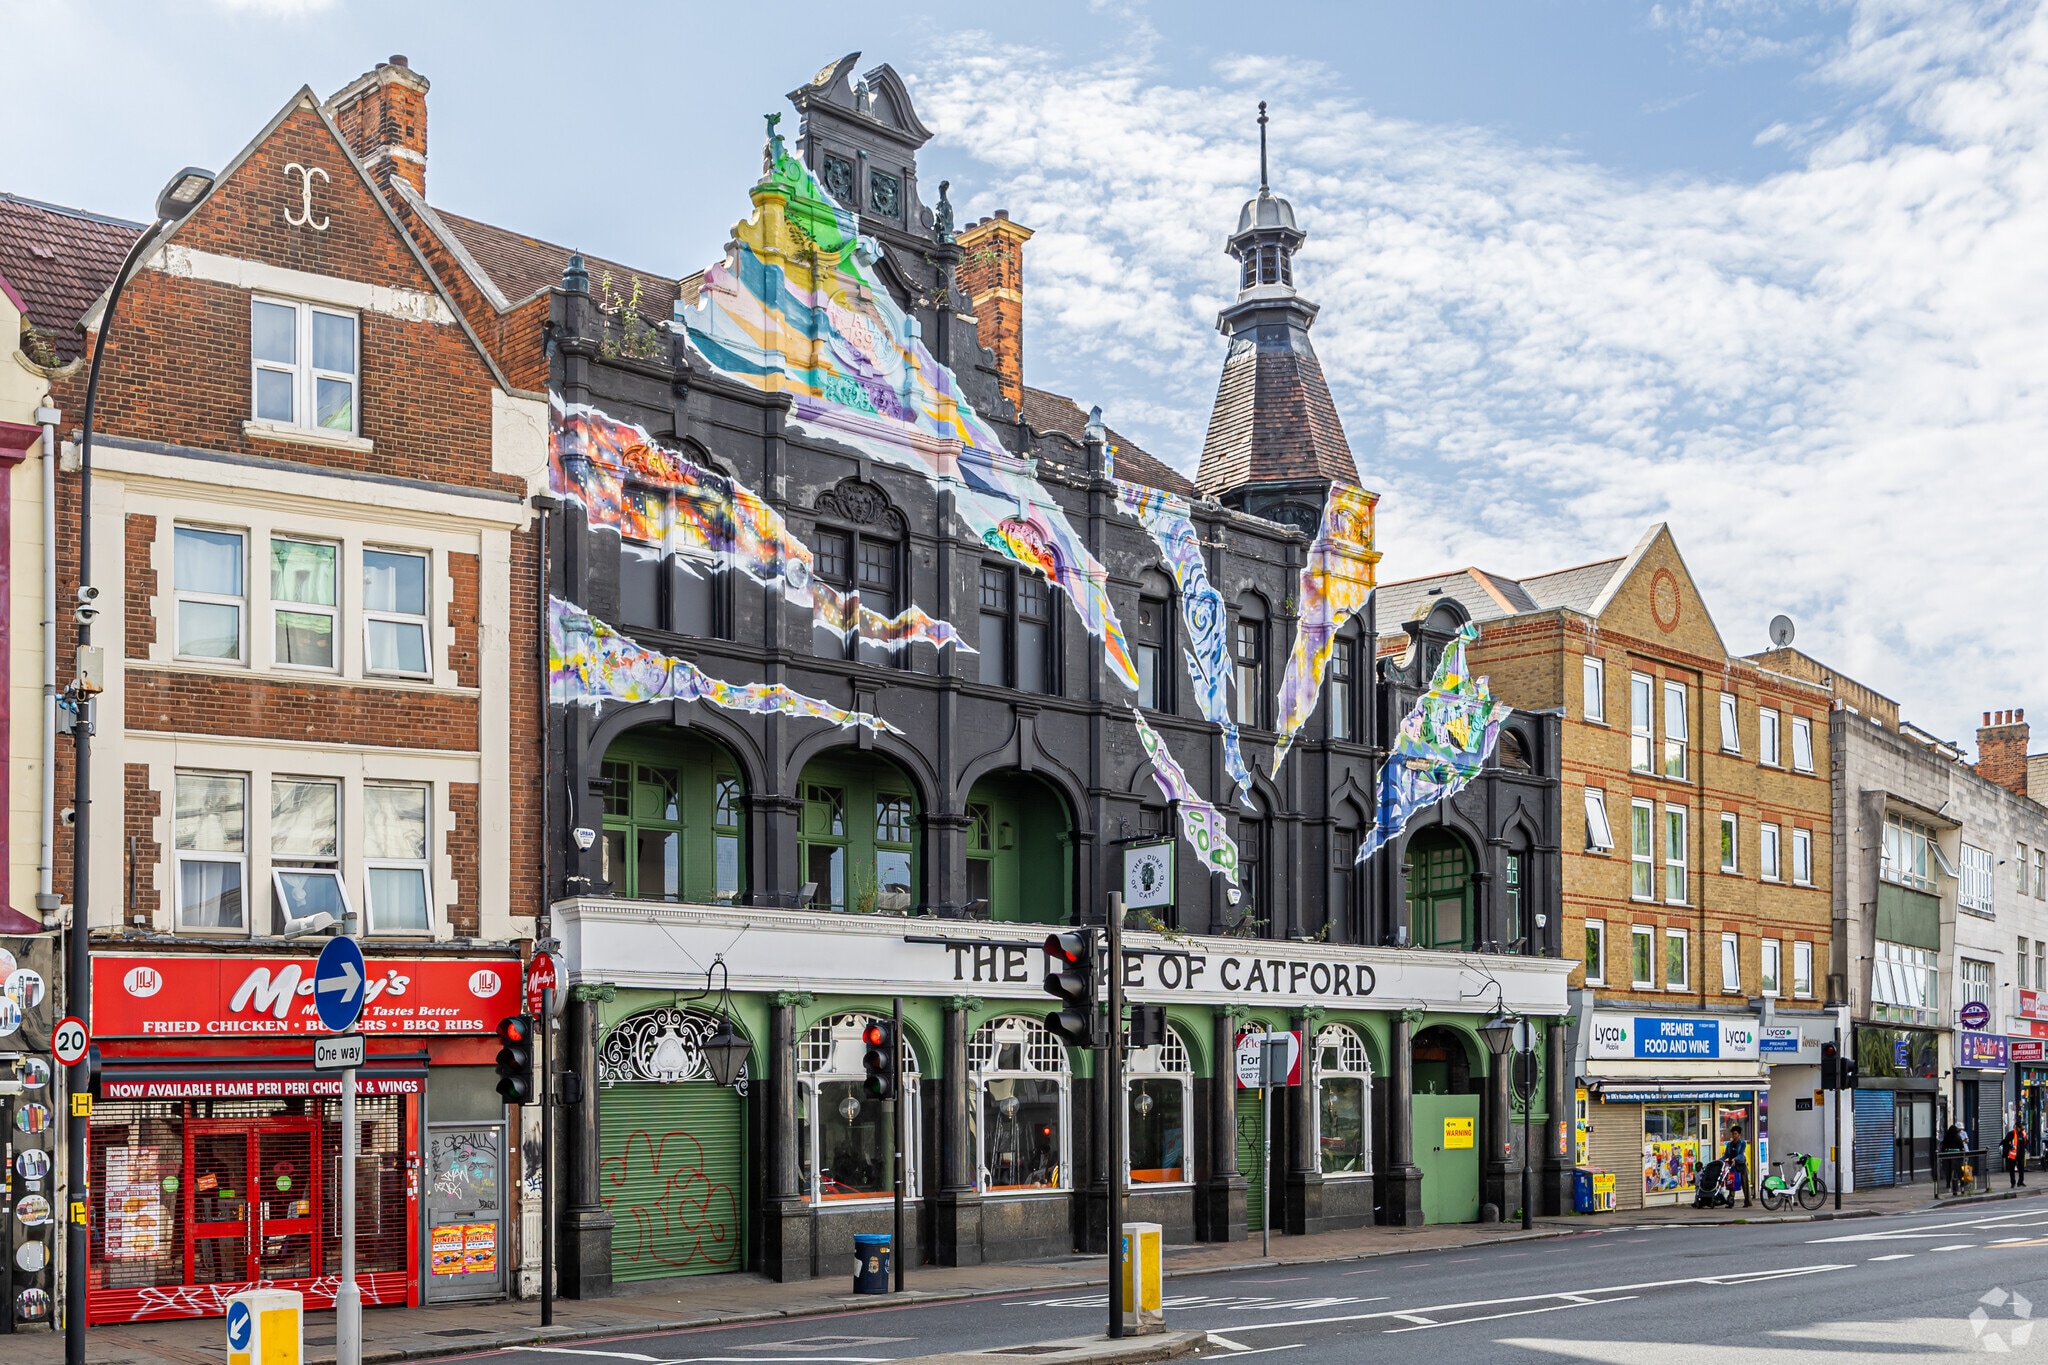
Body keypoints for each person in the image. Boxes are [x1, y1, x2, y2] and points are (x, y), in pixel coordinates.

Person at [1722, 1124, 1750, 1207]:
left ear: (1739, 1134)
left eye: (1735, 1134)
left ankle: (1748, 1201)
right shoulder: (1729, 1144)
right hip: (1732, 1165)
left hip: (1741, 1165)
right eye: (1733, 1134)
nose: (1733, 1135)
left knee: (1745, 1184)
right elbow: (1726, 1155)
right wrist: (1719, 1160)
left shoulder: (1742, 1143)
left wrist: (1735, 1159)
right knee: (1731, 1183)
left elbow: (1741, 1154)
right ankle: (1730, 1201)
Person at [1942, 1120, 1968, 1195]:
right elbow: (1961, 1147)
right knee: (1958, 1171)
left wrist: (1942, 1154)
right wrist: (1963, 1154)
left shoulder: (1946, 1136)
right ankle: (1961, 1184)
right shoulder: (1957, 1137)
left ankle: (1948, 1183)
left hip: (1947, 1156)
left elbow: (1943, 1146)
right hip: (1957, 1157)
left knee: (1948, 1171)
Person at [2005, 1124, 2028, 1189]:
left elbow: (2025, 1142)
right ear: (2017, 1127)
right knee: (2012, 1169)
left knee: (2021, 1168)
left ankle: (2020, 1182)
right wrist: (2010, 1147)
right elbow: (2006, 1142)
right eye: (2021, 1127)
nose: (2022, 1129)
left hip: (2020, 1154)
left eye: (2023, 1128)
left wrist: (2024, 1149)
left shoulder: (2023, 1133)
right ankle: (2013, 1183)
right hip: (2013, 1154)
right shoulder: (2011, 1133)